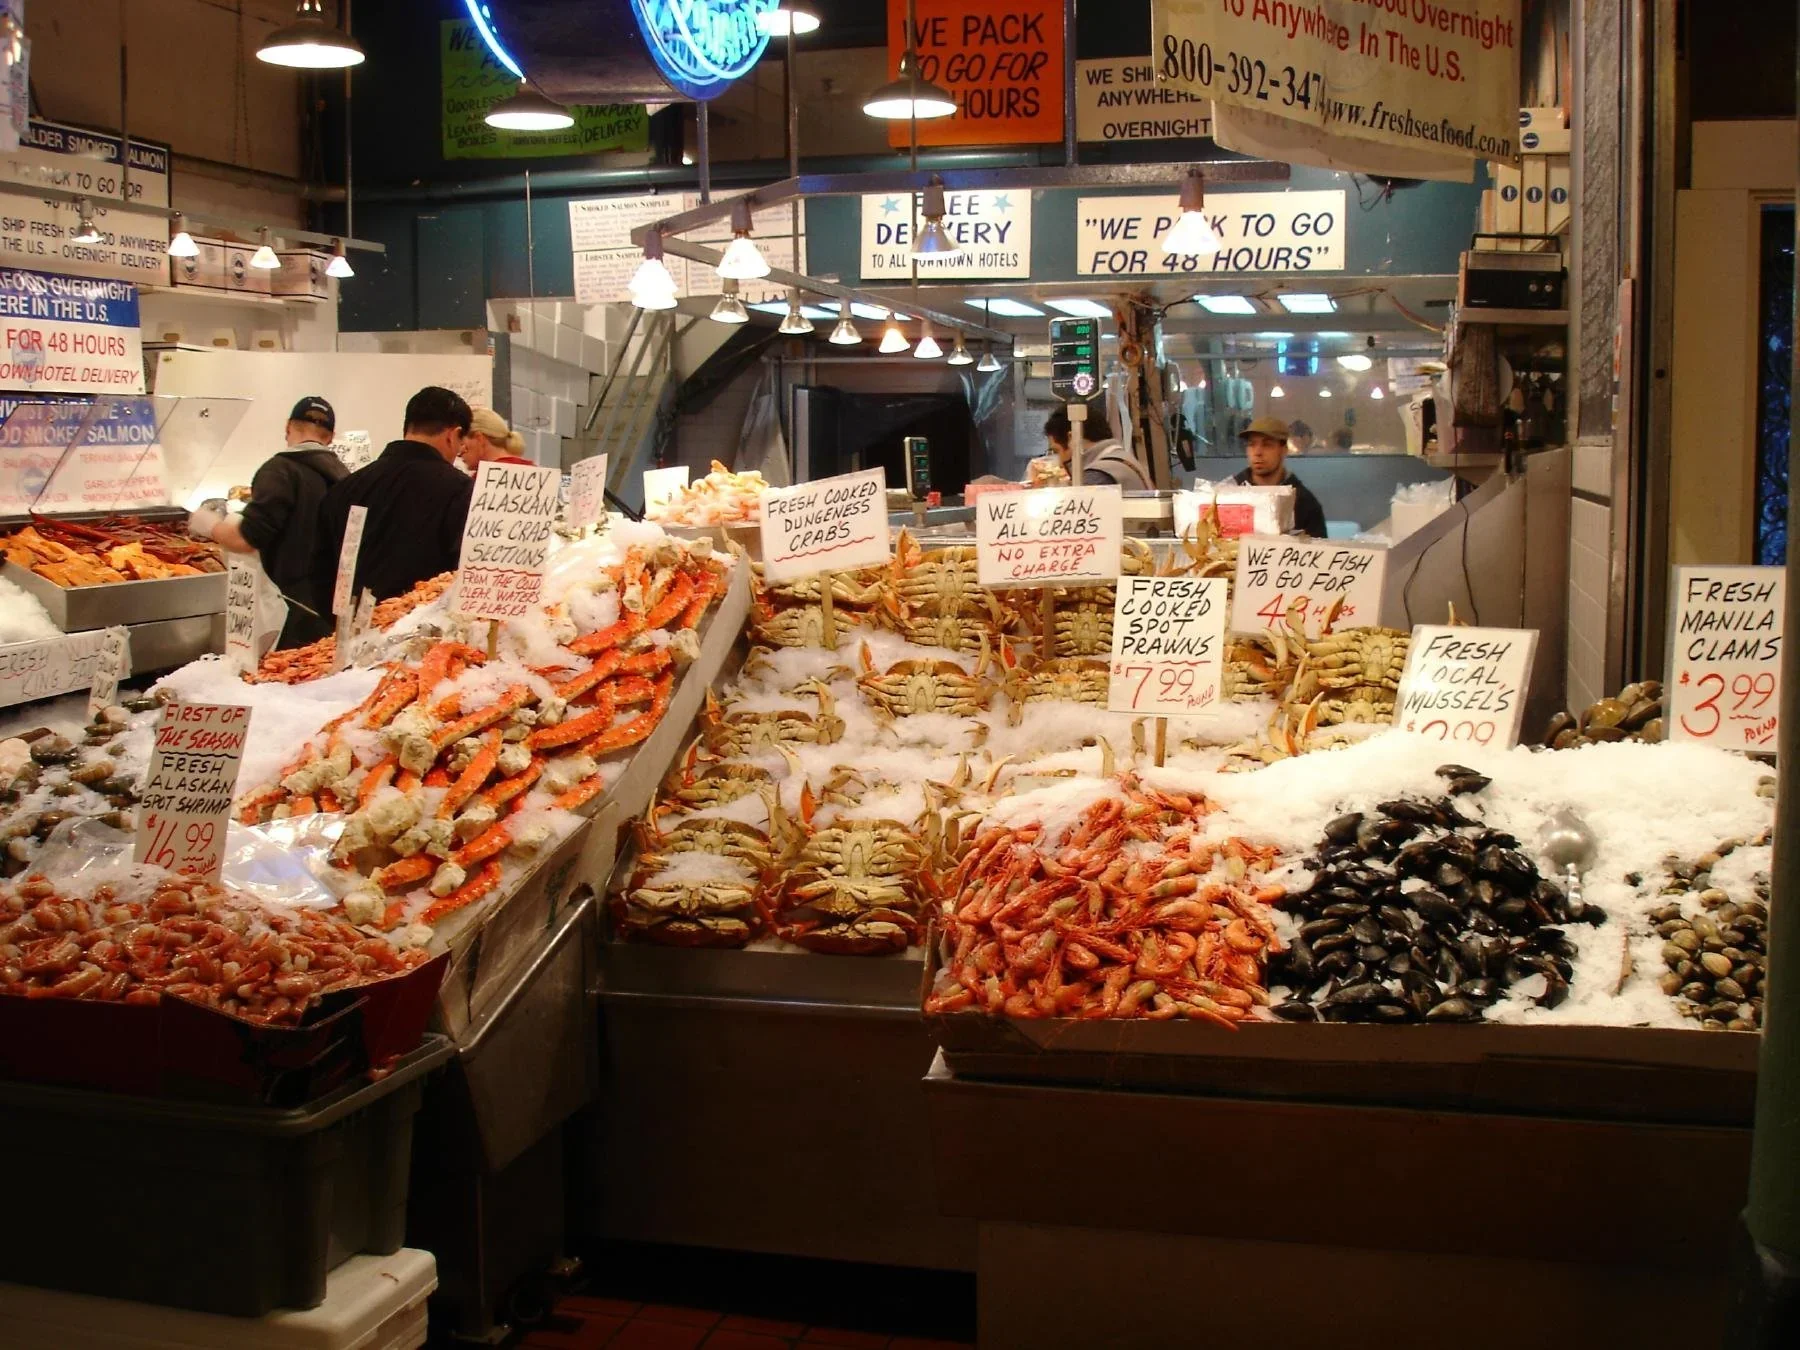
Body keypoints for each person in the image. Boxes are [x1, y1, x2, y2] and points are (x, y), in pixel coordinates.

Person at [188, 395, 346, 649]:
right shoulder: (345, 477)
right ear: (330, 437)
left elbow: (246, 539)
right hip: (330, 614)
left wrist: (209, 524)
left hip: (287, 617)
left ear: (287, 427)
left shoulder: (280, 470)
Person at [314, 386, 475, 605]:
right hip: (425, 632)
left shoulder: (345, 488)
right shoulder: (461, 489)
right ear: (453, 435)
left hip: (351, 630)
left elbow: (319, 573)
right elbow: (463, 572)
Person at [1235, 414, 1329, 538]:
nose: (1257, 452)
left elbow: (1318, 553)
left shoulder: (1304, 502)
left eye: (1267, 445)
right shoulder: (1229, 494)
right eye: (1252, 444)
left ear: (1284, 450)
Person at [1043, 403, 1151, 491]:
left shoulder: (1097, 475)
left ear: (1073, 437)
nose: (1060, 462)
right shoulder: (1122, 460)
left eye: (1057, 450)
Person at [459, 407, 535, 469]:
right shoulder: (535, 472)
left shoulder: (481, 481)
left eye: (462, 444)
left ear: (480, 439)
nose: (459, 453)